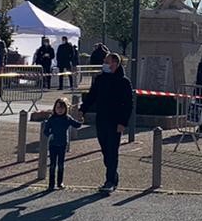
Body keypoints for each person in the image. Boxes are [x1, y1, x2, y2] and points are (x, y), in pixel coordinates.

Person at [81, 53, 133, 191]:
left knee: (112, 150)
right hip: (101, 119)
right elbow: (92, 96)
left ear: (115, 63)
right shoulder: (100, 79)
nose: (104, 63)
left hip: (115, 121)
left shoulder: (123, 82)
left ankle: (109, 181)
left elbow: (128, 104)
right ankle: (113, 175)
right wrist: (82, 110)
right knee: (105, 149)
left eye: (107, 61)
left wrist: (123, 122)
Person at [41, 97, 84, 190]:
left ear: (66, 109)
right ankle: (51, 184)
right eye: (58, 108)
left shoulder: (67, 118)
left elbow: (76, 125)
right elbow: (45, 131)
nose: (60, 110)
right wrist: (50, 134)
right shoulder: (52, 119)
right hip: (53, 144)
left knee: (61, 164)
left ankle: (60, 182)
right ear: (54, 108)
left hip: (63, 144)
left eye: (62, 108)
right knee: (52, 165)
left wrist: (81, 119)